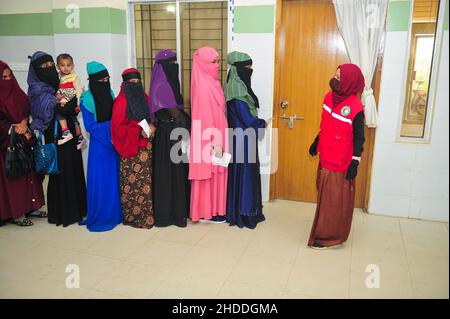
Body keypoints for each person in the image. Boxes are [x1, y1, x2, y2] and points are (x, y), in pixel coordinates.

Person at [308, 63, 365, 249]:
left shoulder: (355, 108)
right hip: (325, 157)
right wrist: (316, 141)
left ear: (349, 82)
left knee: (334, 202)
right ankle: (324, 230)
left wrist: (354, 163)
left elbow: (359, 139)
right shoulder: (328, 98)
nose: (335, 80)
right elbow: (325, 124)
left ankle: (329, 237)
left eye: (340, 78)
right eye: (336, 75)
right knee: (325, 199)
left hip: (341, 163)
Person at [28, 51, 86, 227]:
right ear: (36, 70)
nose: (48, 69)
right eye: (43, 67)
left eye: (50, 65)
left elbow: (69, 105)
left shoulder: (59, 82)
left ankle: (79, 209)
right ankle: (64, 213)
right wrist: (65, 105)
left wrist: (73, 104)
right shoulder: (37, 89)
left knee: (73, 167)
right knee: (61, 171)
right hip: (54, 135)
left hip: (67, 132)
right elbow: (49, 111)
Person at [224, 51, 267, 229]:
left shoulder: (237, 84)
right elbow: (246, 118)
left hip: (241, 136)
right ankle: (244, 215)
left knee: (242, 174)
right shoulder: (236, 89)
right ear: (238, 68)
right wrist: (262, 123)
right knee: (245, 175)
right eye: (247, 67)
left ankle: (242, 211)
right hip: (242, 138)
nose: (250, 70)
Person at [0, 60, 46, 227]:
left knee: (30, 174)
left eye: (10, 75)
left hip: (24, 139)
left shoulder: (17, 92)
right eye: (3, 77)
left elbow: (26, 108)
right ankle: (17, 213)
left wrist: (24, 123)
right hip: (8, 145)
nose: (8, 79)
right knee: (16, 178)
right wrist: (14, 127)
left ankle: (32, 207)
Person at [149, 50, 191, 228]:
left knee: (175, 173)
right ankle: (170, 215)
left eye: (176, 63)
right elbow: (178, 116)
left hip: (172, 133)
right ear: (163, 66)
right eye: (172, 64)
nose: (175, 66)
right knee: (170, 175)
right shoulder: (162, 87)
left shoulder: (166, 84)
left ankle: (177, 211)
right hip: (169, 135)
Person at [79, 61, 122, 232]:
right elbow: (90, 127)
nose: (105, 83)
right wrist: (113, 125)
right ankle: (103, 215)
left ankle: (116, 214)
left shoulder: (110, 93)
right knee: (102, 182)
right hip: (100, 146)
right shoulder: (86, 100)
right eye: (101, 80)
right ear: (94, 81)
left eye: (107, 79)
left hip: (113, 144)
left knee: (114, 180)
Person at [111, 68, 156, 229]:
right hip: (132, 149)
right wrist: (137, 131)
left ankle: (147, 215)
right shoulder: (121, 102)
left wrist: (151, 125)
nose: (136, 85)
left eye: (138, 82)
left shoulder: (144, 97)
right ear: (125, 84)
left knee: (146, 183)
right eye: (132, 83)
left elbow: (150, 116)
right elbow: (117, 128)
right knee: (134, 185)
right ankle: (135, 217)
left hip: (146, 147)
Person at [189, 47, 228, 223]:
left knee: (217, 172)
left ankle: (216, 208)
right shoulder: (203, 87)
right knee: (208, 173)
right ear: (204, 64)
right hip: (210, 137)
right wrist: (216, 142)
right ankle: (206, 211)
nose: (218, 65)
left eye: (218, 61)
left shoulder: (212, 82)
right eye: (214, 61)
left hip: (217, 133)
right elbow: (205, 118)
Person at [55, 53, 86, 149]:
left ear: (72, 66)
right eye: (62, 65)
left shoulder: (74, 77)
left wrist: (78, 104)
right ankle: (80, 137)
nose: (66, 68)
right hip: (64, 100)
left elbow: (78, 91)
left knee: (59, 114)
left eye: (68, 65)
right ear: (57, 66)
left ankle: (66, 132)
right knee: (74, 120)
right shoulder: (58, 77)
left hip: (70, 101)